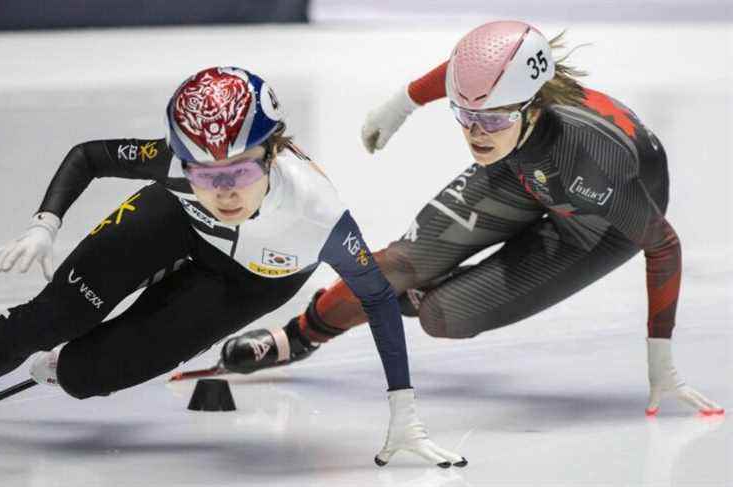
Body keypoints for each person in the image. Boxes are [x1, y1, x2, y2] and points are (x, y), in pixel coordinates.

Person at [218, 21, 724, 417]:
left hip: (597, 223)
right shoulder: (500, 100)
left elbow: (664, 246)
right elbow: (462, 73)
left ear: (534, 107)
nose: (476, 134)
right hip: (524, 169)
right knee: (400, 261)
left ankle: (422, 295)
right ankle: (300, 336)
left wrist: (662, 359)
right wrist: (402, 105)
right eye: (465, 117)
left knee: (443, 315)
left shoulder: (588, 162)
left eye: (493, 120)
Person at [0, 66, 467, 468]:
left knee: (87, 375)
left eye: (241, 171)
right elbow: (88, 156)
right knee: (53, 316)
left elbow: (378, 297)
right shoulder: (173, 163)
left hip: (250, 280)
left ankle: (59, 369)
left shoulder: (317, 216)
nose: (224, 191)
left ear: (274, 153)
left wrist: (405, 411)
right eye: (205, 174)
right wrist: (45, 224)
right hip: (176, 220)